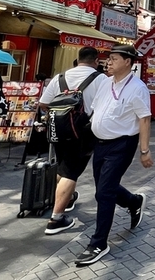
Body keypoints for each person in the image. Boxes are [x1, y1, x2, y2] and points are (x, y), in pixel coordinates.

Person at [75, 45, 152, 266]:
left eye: (114, 59)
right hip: (99, 143)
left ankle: (99, 243)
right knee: (104, 187)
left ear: (128, 62)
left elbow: (144, 119)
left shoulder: (138, 88)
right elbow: (95, 110)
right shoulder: (104, 82)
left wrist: (144, 150)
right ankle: (134, 202)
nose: (108, 62)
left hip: (122, 144)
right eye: (108, 58)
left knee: (104, 193)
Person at [39, 47, 105, 235]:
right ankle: (56, 219)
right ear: (96, 61)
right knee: (70, 172)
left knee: (63, 166)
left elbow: (43, 103)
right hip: (84, 132)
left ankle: (67, 199)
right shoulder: (101, 79)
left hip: (58, 130)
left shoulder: (60, 77)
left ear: (78, 59)